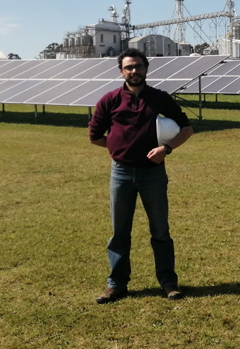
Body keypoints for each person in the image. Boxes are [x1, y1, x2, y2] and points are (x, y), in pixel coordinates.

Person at [88, 48, 194, 304]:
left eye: (138, 66)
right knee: (119, 232)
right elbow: (95, 136)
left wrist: (166, 148)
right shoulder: (109, 100)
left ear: (146, 68)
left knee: (160, 230)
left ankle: (169, 282)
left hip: (153, 174)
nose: (134, 71)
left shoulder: (159, 98)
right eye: (129, 67)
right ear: (121, 71)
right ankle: (116, 284)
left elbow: (187, 128)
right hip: (121, 174)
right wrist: (119, 149)